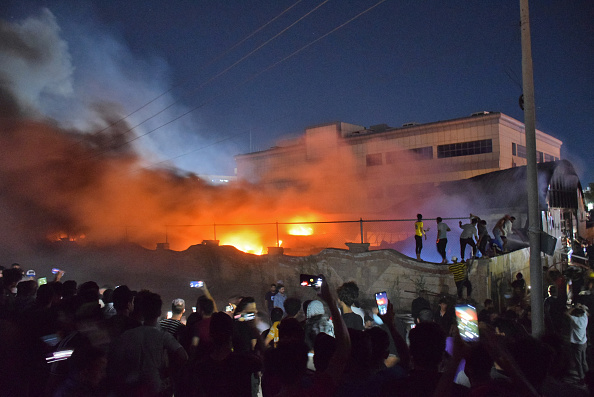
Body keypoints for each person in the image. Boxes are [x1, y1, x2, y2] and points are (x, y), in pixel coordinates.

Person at [107, 291, 188, 397]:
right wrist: (169, 372)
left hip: (131, 386)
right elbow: (183, 356)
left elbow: (116, 358)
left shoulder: (128, 335)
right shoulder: (163, 335)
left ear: (142, 311)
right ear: (159, 312)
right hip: (155, 385)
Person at [568, 304, 589, 380]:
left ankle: (582, 378)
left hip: (576, 344)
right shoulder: (584, 318)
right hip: (584, 342)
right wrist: (583, 307)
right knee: (584, 360)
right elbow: (586, 313)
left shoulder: (575, 320)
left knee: (578, 362)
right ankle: (588, 376)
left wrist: (574, 307)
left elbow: (566, 313)